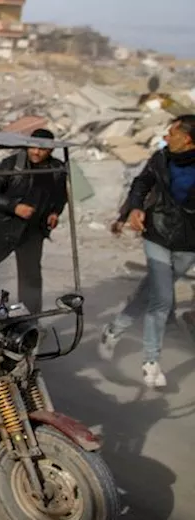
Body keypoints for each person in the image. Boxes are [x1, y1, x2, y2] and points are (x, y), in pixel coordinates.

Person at [100, 115, 195, 388]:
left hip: (189, 243)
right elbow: (141, 184)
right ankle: (151, 361)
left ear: (187, 139)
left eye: (172, 133)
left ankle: (113, 331)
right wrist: (134, 208)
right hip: (157, 233)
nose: (166, 138)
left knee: (150, 291)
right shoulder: (161, 158)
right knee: (162, 299)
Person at [0, 129, 67, 313]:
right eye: (33, 147)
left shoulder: (56, 169)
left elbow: (60, 196)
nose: (36, 152)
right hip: (3, 230)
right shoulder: (13, 164)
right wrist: (14, 207)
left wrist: (54, 212)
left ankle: (29, 320)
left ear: (51, 150)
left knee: (31, 280)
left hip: (32, 233)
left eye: (42, 149)